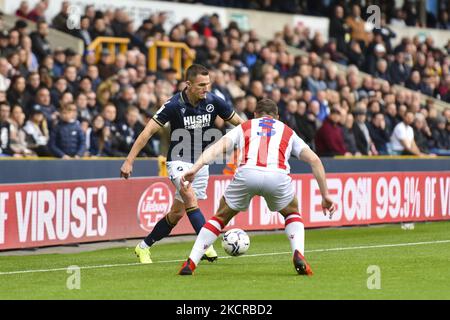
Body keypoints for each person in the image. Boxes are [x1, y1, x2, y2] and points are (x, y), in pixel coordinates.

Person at [178, 99, 336, 276]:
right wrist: (325, 195)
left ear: (255, 114)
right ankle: (298, 253)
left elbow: (216, 149)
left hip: (247, 173)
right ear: (277, 116)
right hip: (277, 175)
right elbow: (314, 160)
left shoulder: (246, 126)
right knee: (292, 212)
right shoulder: (287, 131)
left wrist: (194, 169)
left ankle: (191, 263)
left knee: (221, 216)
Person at [120, 64, 244, 264]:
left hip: (201, 162)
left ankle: (143, 247)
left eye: (208, 84)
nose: (206, 88)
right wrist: (128, 161)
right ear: (188, 84)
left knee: (176, 214)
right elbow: (147, 133)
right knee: (188, 194)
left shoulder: (213, 102)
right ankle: (206, 246)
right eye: (201, 85)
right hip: (177, 160)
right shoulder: (173, 105)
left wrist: (263, 134)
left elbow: (241, 124)